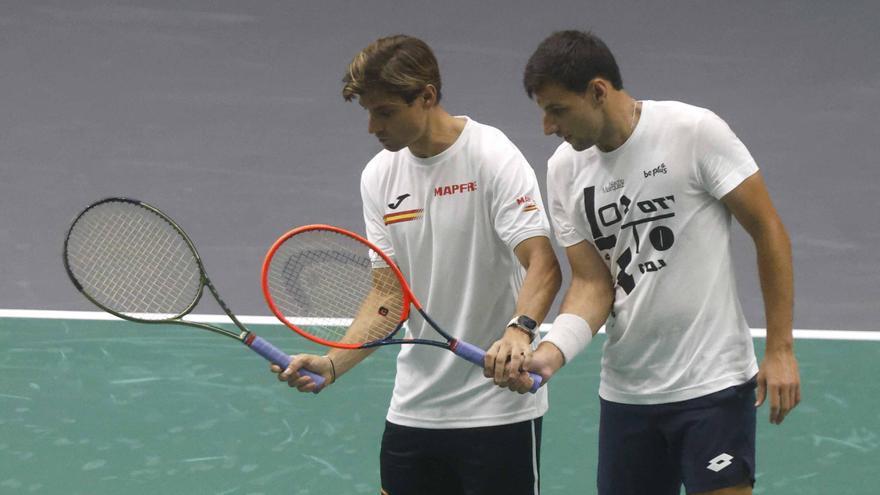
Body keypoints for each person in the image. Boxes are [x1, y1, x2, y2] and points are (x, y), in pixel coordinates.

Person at [488, 30, 801, 495]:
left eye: (557, 110)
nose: (547, 126)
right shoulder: (564, 170)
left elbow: (768, 229)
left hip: (712, 385)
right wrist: (552, 352)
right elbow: (593, 284)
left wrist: (780, 348)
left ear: (597, 91)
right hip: (627, 395)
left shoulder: (693, 132)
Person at [271, 35, 561, 495]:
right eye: (368, 112)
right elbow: (389, 295)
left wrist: (518, 332)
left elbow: (542, 262)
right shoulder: (379, 176)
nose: (372, 126)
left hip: (497, 407)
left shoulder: (491, 156)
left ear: (426, 96)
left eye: (385, 112)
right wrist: (332, 363)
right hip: (415, 409)